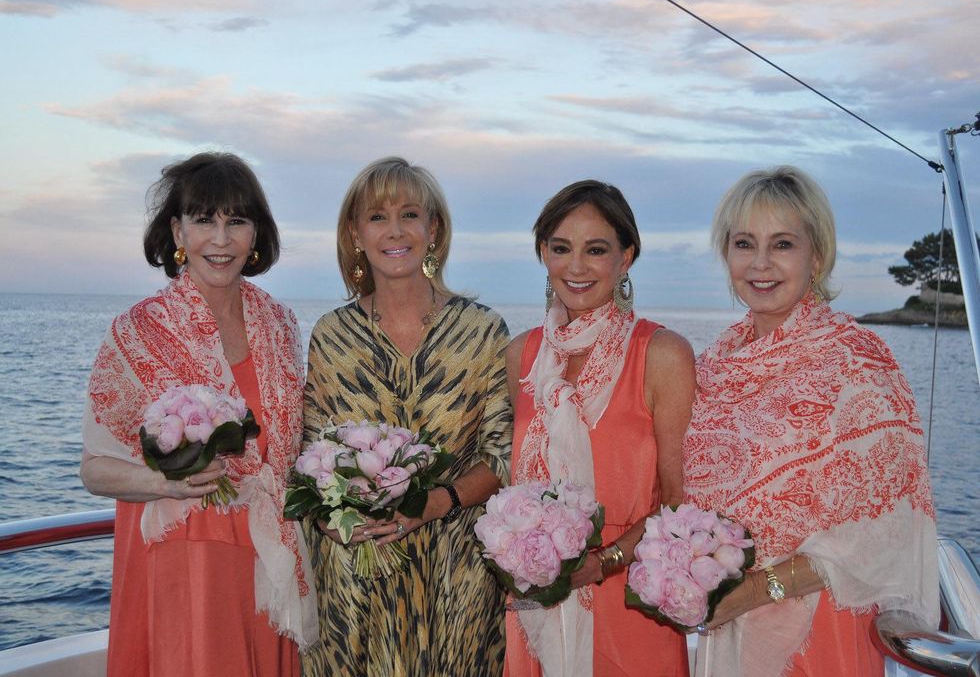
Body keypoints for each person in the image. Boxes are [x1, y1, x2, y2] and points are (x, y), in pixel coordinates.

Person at [684, 166, 939, 677]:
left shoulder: (856, 360)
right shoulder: (714, 366)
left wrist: (755, 590)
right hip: (728, 622)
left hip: (821, 629)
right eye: (744, 244)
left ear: (816, 256)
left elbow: (887, 524)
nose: (760, 263)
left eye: (782, 244)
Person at [79, 153, 317, 676]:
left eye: (237, 220)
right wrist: (167, 482)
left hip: (267, 560)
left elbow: (287, 450)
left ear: (256, 234)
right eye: (205, 219)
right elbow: (94, 469)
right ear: (177, 231)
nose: (221, 239)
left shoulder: (279, 323)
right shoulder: (138, 332)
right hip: (184, 566)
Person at [301, 156, 512, 676]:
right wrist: (333, 522)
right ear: (355, 233)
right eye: (377, 217)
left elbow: (503, 456)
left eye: (409, 215)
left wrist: (435, 503)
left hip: (456, 579)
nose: (395, 231)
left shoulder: (482, 331)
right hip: (355, 580)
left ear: (432, 229)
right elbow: (308, 456)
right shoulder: (332, 336)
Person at [504, 180, 694, 677]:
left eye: (596, 250)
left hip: (629, 593)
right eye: (561, 248)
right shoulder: (521, 355)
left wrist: (603, 561)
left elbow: (680, 501)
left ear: (625, 257)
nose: (576, 267)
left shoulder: (663, 354)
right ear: (543, 254)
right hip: (536, 597)